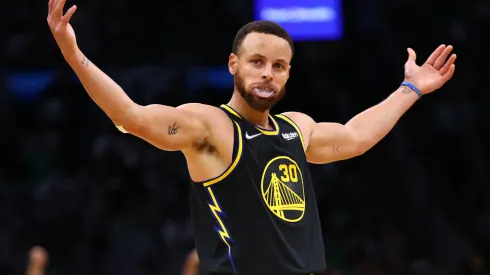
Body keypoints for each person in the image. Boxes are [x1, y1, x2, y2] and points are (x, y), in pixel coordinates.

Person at [46, 0, 456, 274]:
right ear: (232, 64)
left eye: (279, 65)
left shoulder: (297, 128)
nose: (267, 73)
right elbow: (130, 117)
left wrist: (411, 89)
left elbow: (356, 135)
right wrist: (73, 55)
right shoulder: (208, 127)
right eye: (257, 62)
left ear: (289, 73)